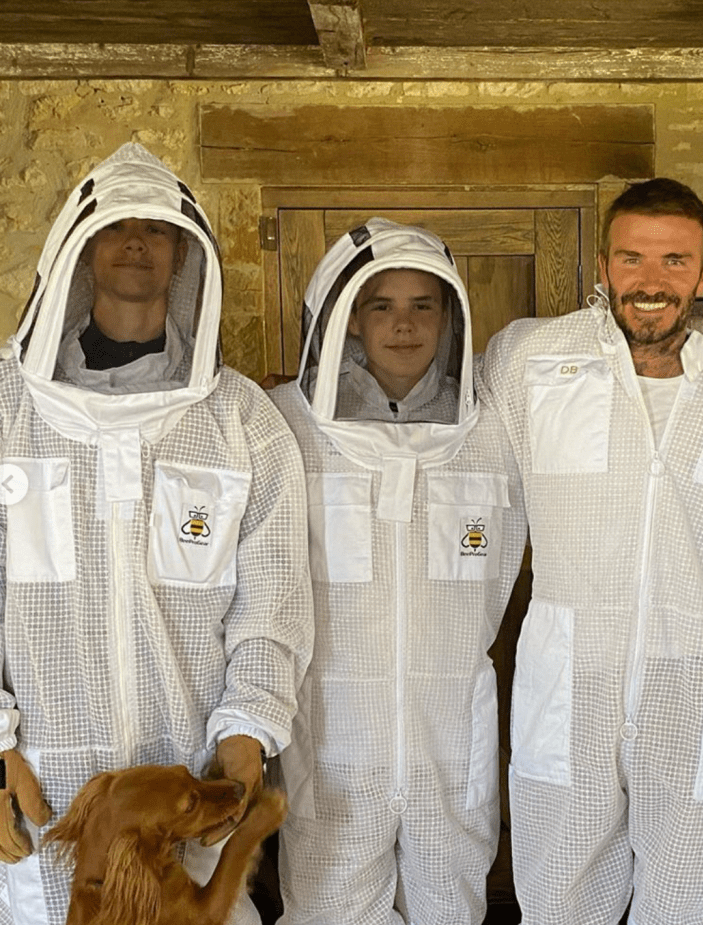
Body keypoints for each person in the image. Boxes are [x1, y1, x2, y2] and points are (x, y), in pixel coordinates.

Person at [479, 177, 703, 925]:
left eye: (675, 261)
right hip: (567, 680)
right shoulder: (532, 364)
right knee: (561, 897)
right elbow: (463, 478)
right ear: (602, 267)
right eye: (632, 258)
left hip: (696, 687)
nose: (651, 282)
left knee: (692, 902)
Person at [0, 143, 313, 924]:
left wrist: (247, 733)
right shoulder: (9, 408)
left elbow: (272, 601)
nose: (137, 241)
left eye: (157, 229)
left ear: (185, 255)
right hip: (45, 788)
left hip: (190, 788)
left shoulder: (241, 420)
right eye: (116, 227)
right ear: (79, 249)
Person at [269, 218, 527, 925]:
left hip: (452, 733)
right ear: (348, 318)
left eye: (424, 305)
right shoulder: (283, 426)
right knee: (326, 909)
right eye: (381, 305)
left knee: (450, 906)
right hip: (331, 736)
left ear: (451, 318)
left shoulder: (495, 432)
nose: (404, 324)